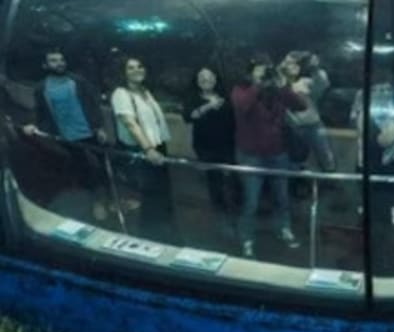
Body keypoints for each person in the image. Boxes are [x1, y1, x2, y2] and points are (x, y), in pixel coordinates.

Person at [230, 54, 307, 259]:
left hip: (278, 153)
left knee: (282, 197)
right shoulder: (241, 89)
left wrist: (282, 86)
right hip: (250, 155)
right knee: (251, 201)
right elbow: (243, 106)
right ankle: (246, 238)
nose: (264, 72)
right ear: (250, 71)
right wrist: (257, 84)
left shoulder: (276, 92)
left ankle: (283, 229)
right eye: (259, 68)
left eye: (267, 69)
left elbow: (300, 105)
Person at [25, 49, 109, 221]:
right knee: (83, 168)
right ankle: (96, 201)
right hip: (66, 136)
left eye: (61, 59)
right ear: (46, 65)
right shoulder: (42, 88)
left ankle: (108, 196)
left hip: (89, 131)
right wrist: (32, 124)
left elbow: (92, 104)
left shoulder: (77, 81)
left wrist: (99, 127)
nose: (59, 63)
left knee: (103, 163)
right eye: (54, 60)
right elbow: (39, 111)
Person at [110, 56, 175, 241]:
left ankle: (165, 235)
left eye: (140, 66)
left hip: (158, 146)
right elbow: (130, 123)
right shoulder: (121, 94)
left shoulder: (145, 91)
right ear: (123, 73)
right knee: (150, 198)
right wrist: (148, 149)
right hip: (143, 151)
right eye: (130, 68)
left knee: (162, 195)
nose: (137, 70)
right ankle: (150, 238)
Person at [355, 75, 394, 272]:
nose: (385, 93)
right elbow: (381, 141)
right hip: (369, 171)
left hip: (388, 169)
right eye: (380, 90)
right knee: (372, 215)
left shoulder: (392, 111)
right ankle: (372, 259)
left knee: (386, 214)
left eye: (388, 89)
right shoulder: (365, 113)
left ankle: (382, 252)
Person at [183, 67, 236, 223]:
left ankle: (234, 212)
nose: (206, 80)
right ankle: (221, 217)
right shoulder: (193, 97)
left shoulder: (226, 96)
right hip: (206, 148)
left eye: (209, 76)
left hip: (228, 146)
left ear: (216, 78)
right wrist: (208, 106)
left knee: (232, 180)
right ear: (197, 80)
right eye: (202, 77)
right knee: (215, 183)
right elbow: (188, 116)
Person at [280, 51, 336, 172]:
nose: (293, 66)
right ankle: (296, 185)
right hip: (292, 129)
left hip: (314, 126)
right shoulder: (279, 84)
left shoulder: (305, 83)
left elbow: (323, 84)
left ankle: (331, 183)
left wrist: (315, 69)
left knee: (326, 157)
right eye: (290, 64)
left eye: (296, 64)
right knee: (294, 161)